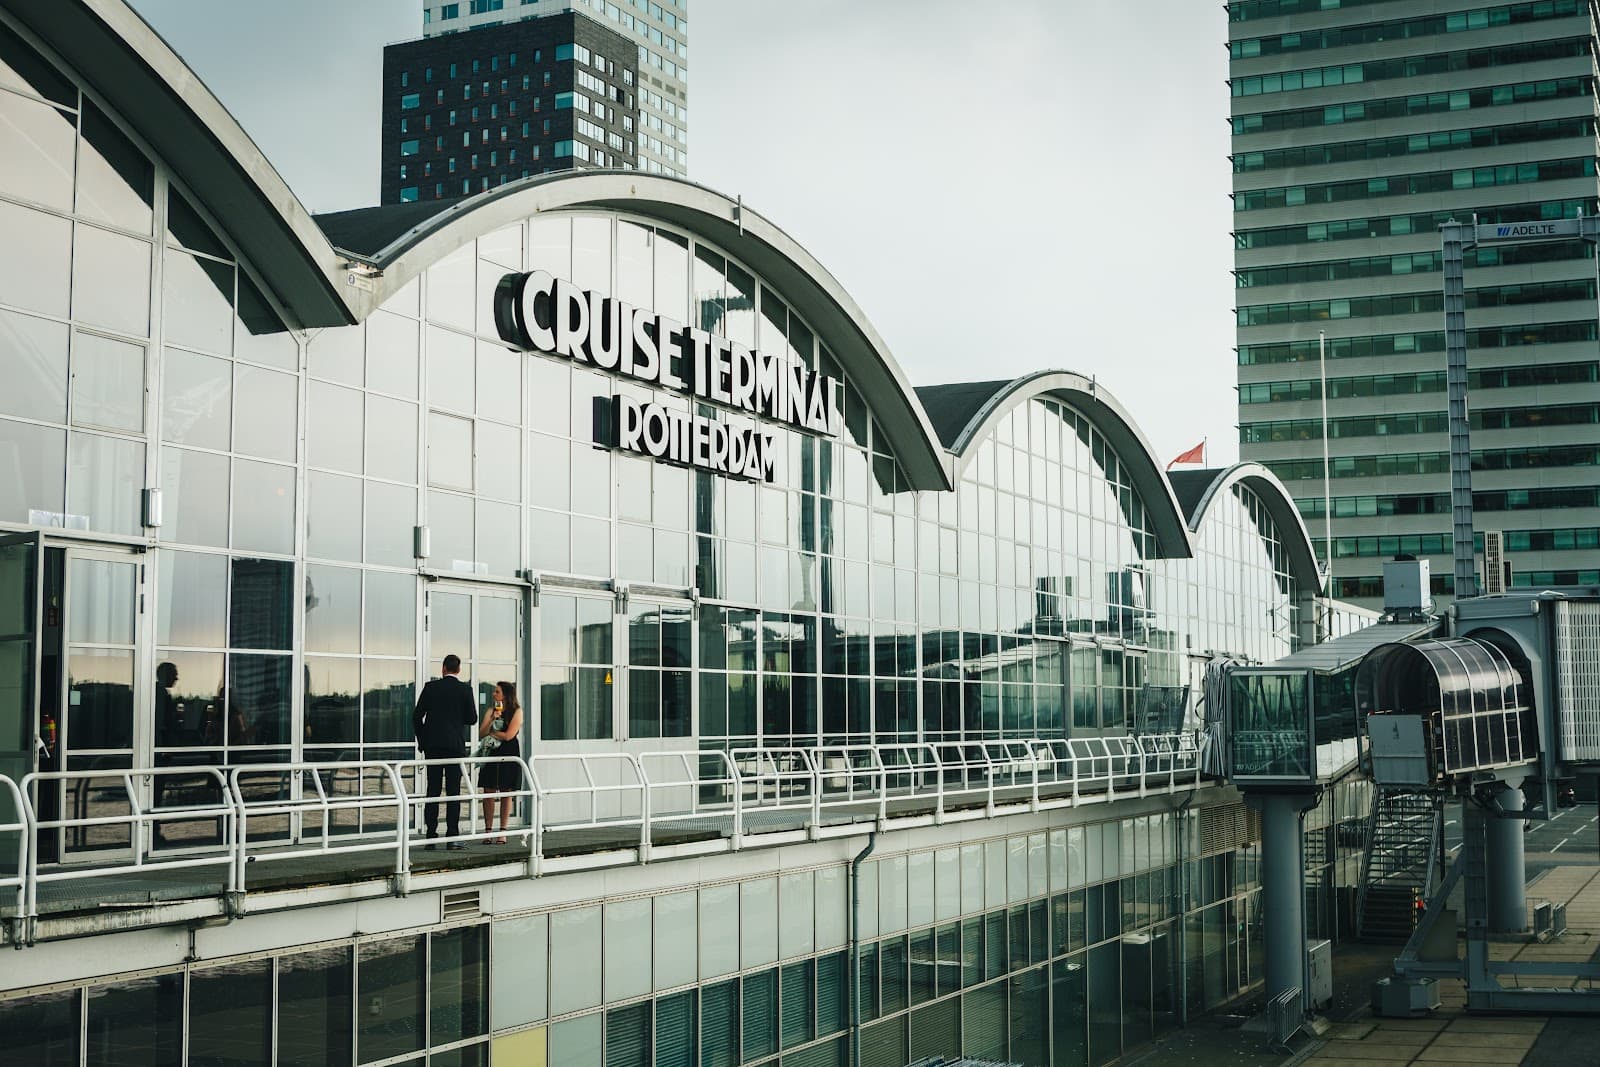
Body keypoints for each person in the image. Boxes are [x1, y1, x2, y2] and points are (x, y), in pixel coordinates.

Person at [413, 654, 478, 850]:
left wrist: (423, 740)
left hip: (433, 746)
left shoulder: (431, 688)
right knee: (453, 792)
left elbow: (417, 716)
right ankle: (452, 836)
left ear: (443, 669)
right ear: (458, 670)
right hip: (454, 747)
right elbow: (472, 718)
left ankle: (431, 836)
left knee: (432, 791)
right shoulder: (465, 690)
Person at [477, 681, 523, 844]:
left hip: (509, 752)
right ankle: (487, 831)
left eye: (497, 692)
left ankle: (502, 831)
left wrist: (493, 732)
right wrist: (492, 721)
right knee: (488, 791)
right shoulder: (491, 710)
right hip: (491, 752)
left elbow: (509, 735)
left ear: (505, 695)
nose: (493, 694)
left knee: (506, 792)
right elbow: (482, 733)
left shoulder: (516, 711)